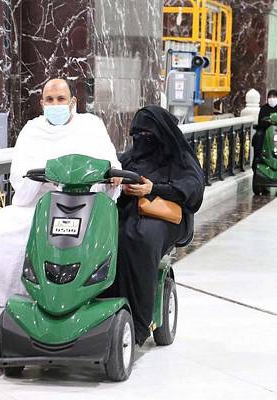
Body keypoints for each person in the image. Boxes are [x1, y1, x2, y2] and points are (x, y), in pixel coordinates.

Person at [0, 78, 122, 307]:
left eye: (61, 99)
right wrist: (44, 178)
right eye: (49, 100)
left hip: (84, 204)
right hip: (38, 203)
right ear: (41, 103)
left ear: (73, 102)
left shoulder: (91, 126)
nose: (55, 104)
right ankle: (20, 299)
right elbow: (20, 175)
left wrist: (113, 177)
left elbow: (110, 163)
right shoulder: (32, 130)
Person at [106, 105, 205, 346]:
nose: (142, 141)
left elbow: (192, 190)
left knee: (141, 238)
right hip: (130, 213)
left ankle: (139, 322)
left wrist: (154, 188)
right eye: (137, 136)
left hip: (164, 218)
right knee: (109, 236)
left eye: (147, 137)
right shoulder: (131, 157)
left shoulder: (180, 158)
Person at [253, 89, 277, 169]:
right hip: (265, 130)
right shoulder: (264, 108)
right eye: (270, 97)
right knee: (259, 136)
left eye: (274, 97)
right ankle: (258, 159)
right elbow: (260, 122)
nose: (272, 99)